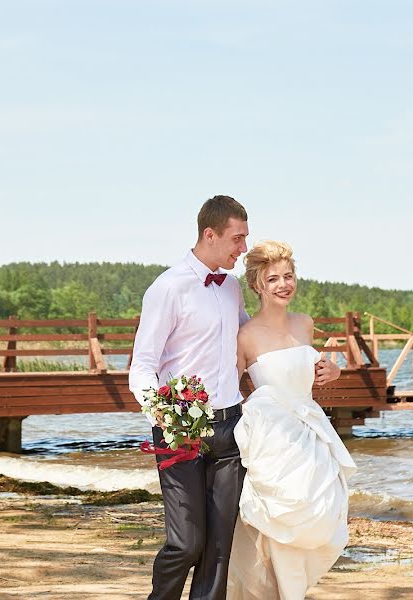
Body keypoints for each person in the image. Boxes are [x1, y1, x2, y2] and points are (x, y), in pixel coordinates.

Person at [129, 197, 341, 600]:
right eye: (237, 238)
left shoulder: (229, 289)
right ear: (210, 234)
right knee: (186, 542)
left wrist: (322, 366)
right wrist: (162, 414)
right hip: (179, 431)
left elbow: (260, 342)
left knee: (220, 548)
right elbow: (142, 365)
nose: (243, 248)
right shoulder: (167, 287)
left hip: (231, 429)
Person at [227, 240, 357, 600]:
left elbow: (314, 373)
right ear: (257, 285)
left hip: (309, 432)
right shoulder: (246, 335)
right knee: (280, 517)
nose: (284, 284)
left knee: (317, 516)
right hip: (272, 437)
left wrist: (335, 370)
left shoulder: (305, 324)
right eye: (273, 279)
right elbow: (229, 386)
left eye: (288, 276)